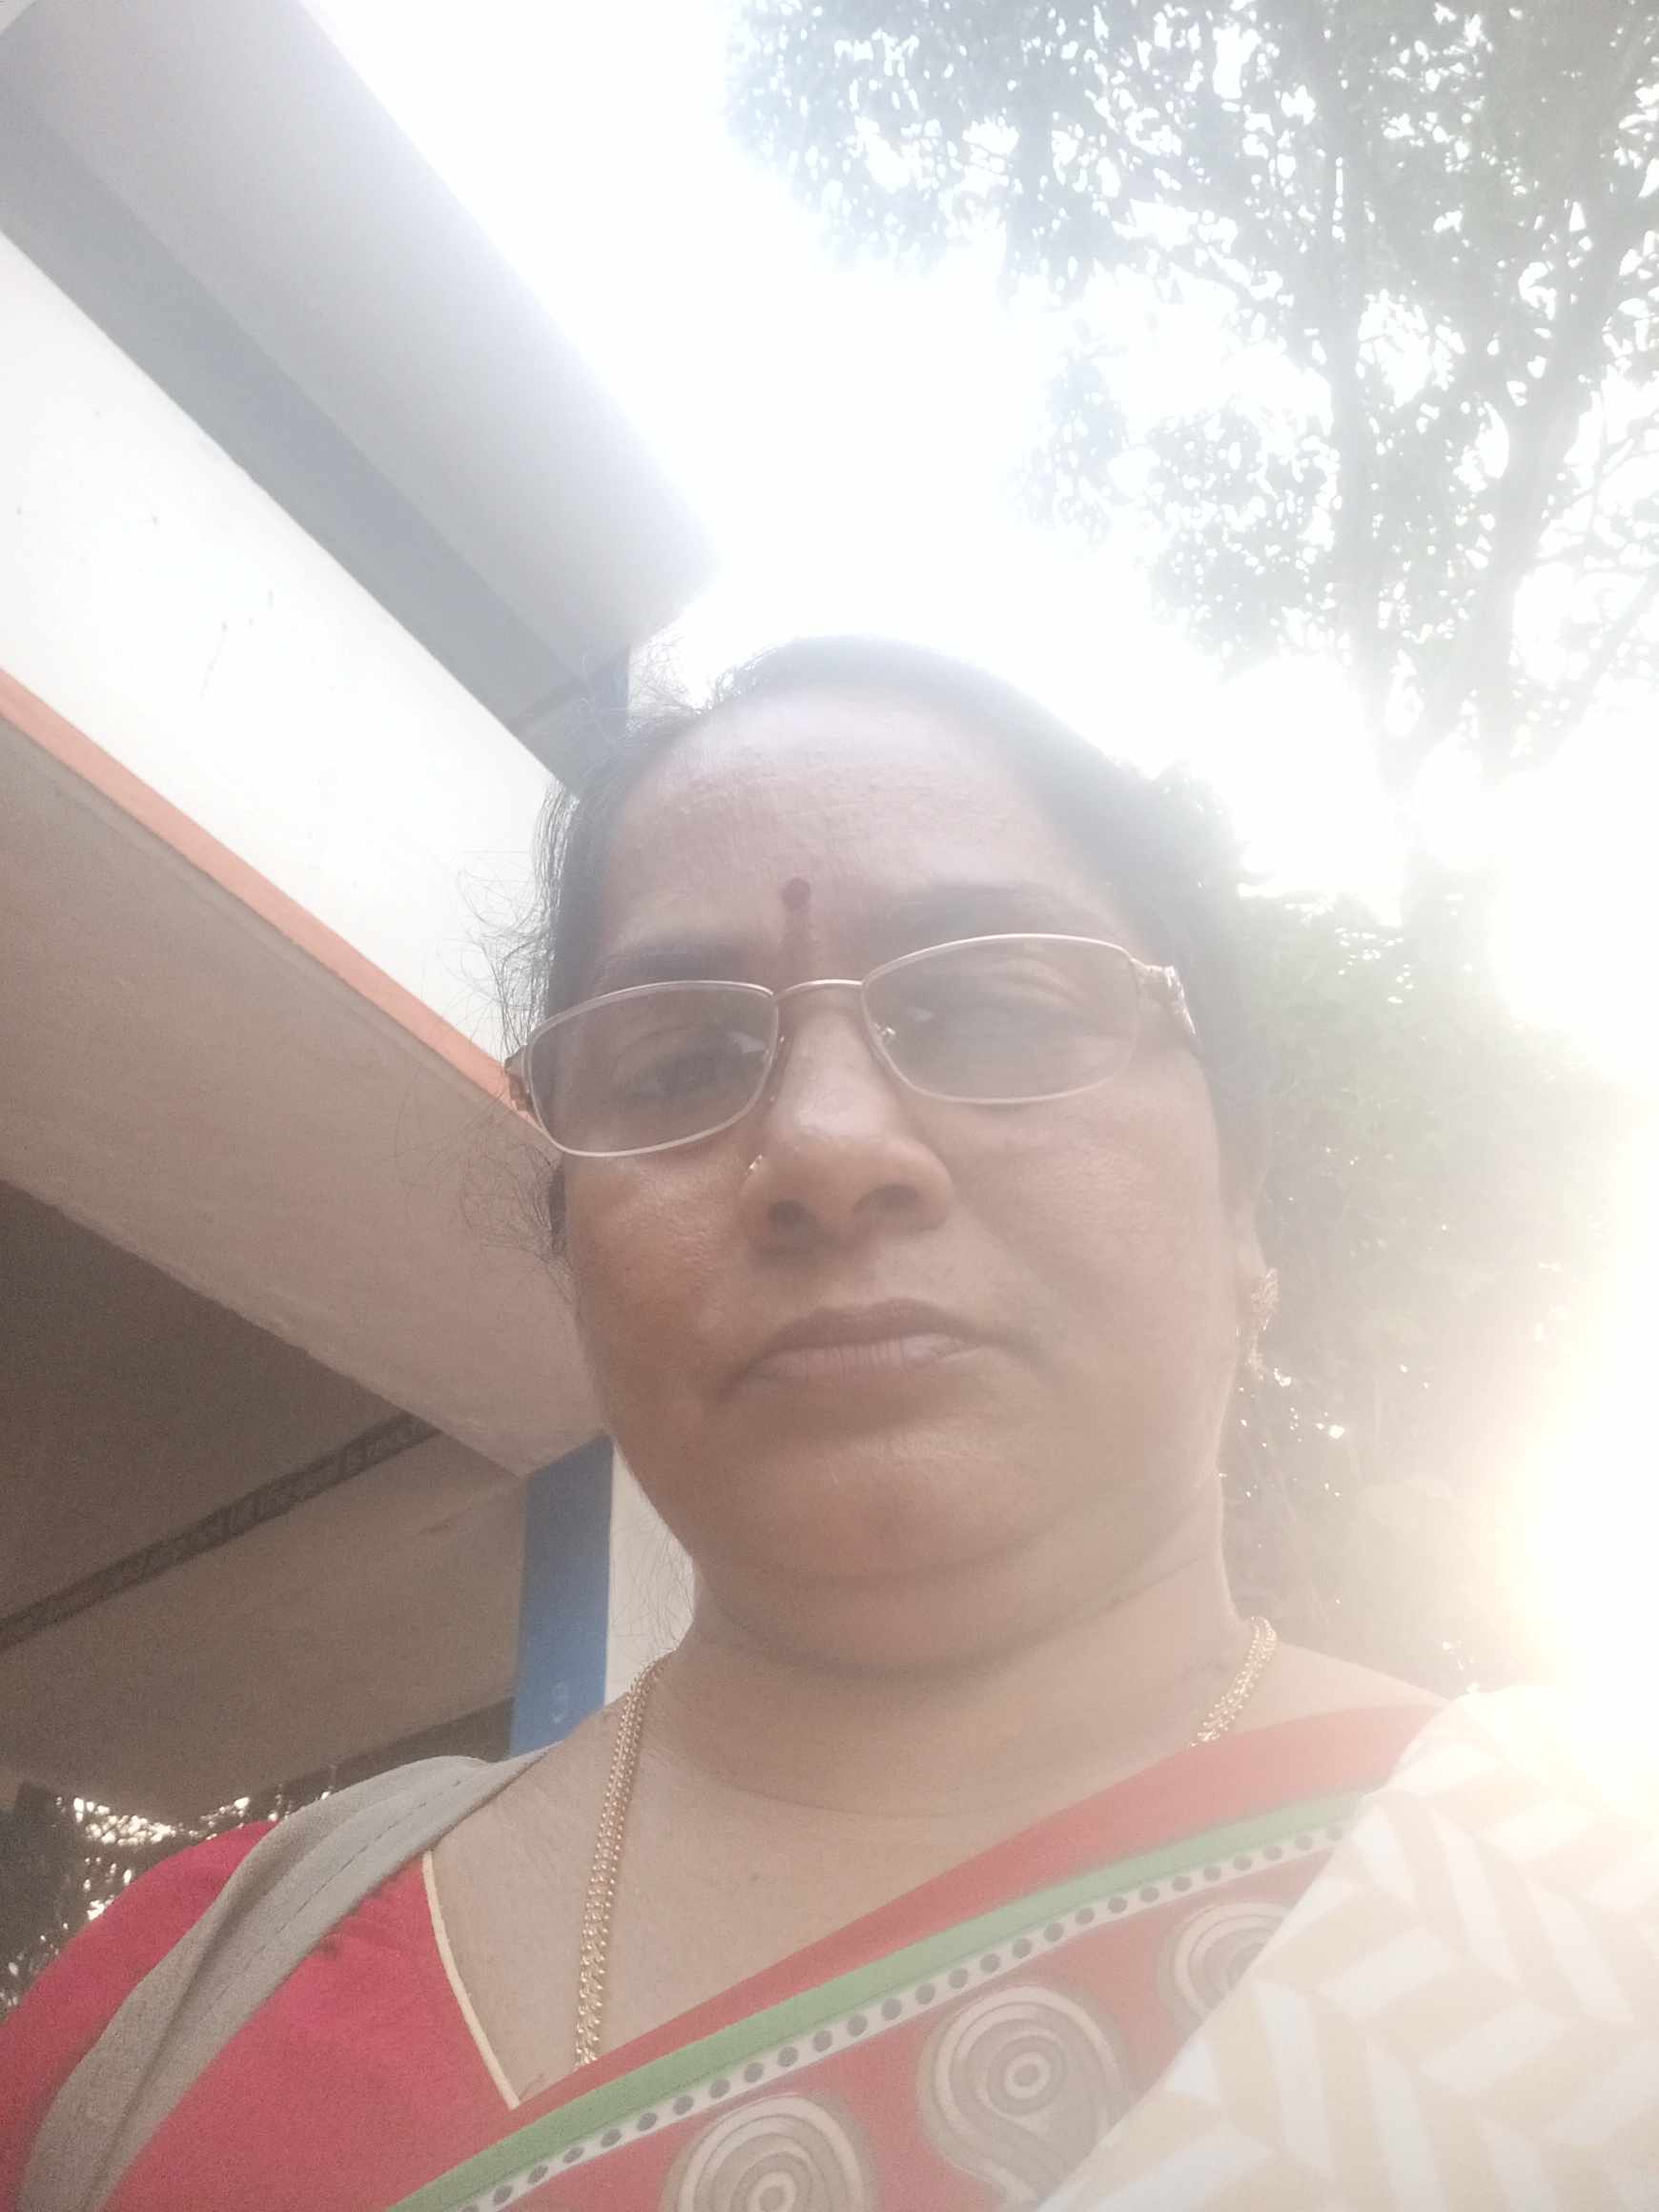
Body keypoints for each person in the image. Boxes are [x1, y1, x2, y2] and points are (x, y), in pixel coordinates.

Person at [5, 639, 1654, 2212]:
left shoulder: (1589, 1918)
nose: (826, 1144)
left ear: (1244, 1206)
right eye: (681, 1061)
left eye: (993, 1013)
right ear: (575, 1246)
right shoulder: (175, 2005)